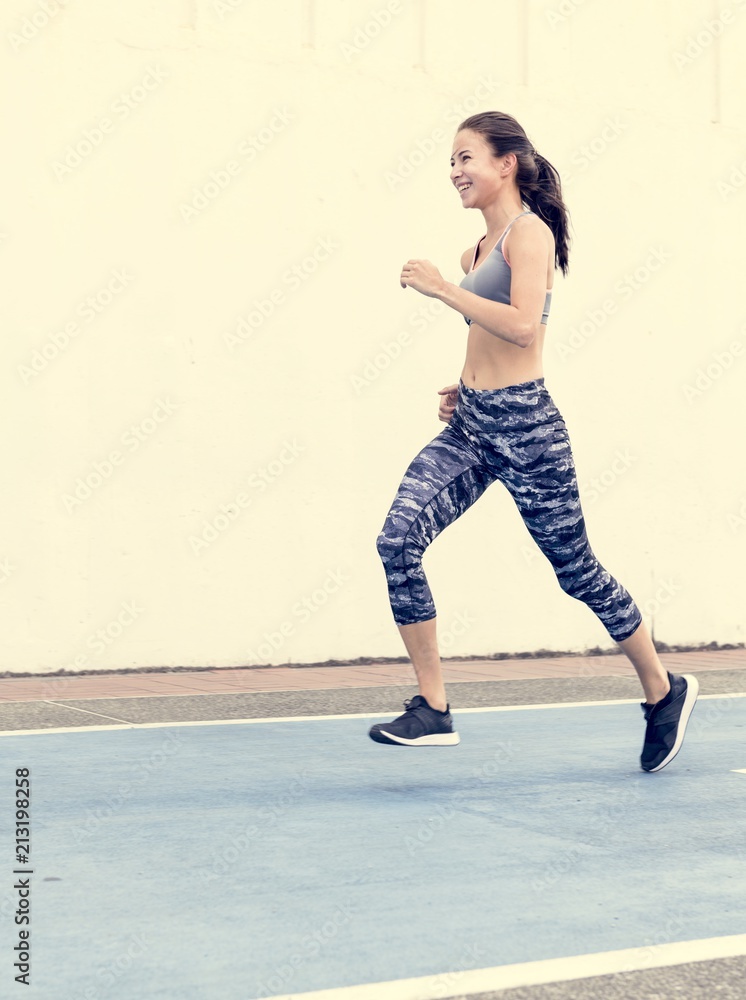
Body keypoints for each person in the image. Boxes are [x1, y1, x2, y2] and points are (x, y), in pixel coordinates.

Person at [370, 111, 698, 772]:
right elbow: (490, 339)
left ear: (506, 163)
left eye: (467, 157)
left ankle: (663, 689)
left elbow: (523, 328)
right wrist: (464, 387)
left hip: (527, 432)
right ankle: (433, 708)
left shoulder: (530, 236)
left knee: (576, 571)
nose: (456, 172)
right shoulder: (475, 253)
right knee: (397, 539)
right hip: (471, 428)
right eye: (451, 162)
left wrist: (440, 289)